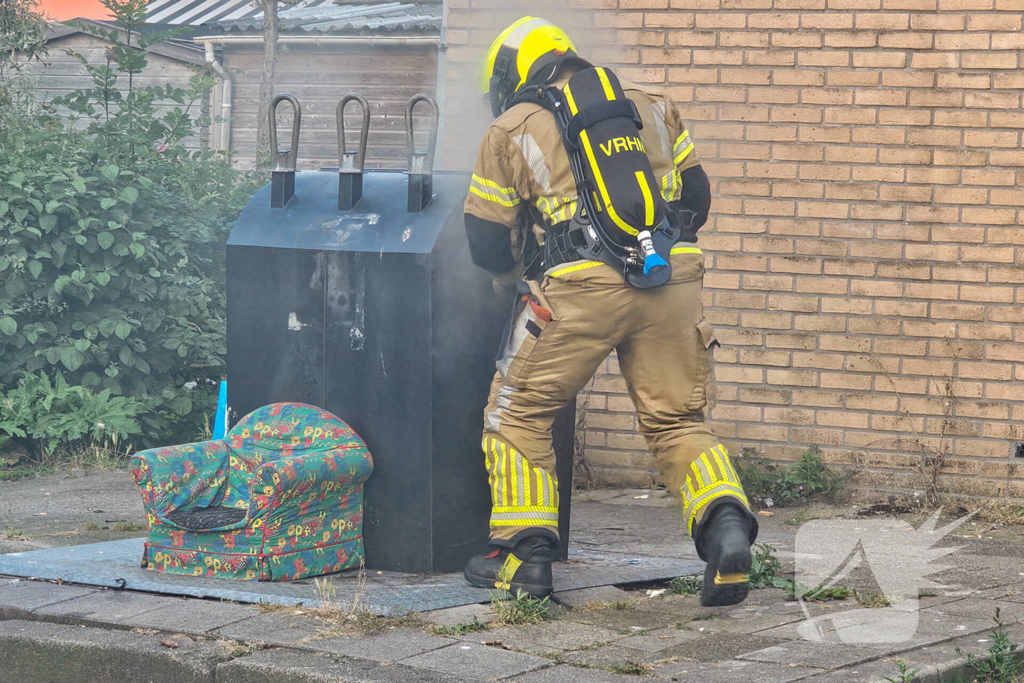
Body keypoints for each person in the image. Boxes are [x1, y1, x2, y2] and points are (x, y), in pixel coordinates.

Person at [461, 17, 758, 608]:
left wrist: (515, 279)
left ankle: (523, 556)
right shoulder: (650, 105)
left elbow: (486, 239)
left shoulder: (511, 127)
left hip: (577, 290)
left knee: (516, 411)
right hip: (671, 282)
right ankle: (725, 529)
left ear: (513, 70)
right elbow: (696, 200)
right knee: (677, 421)